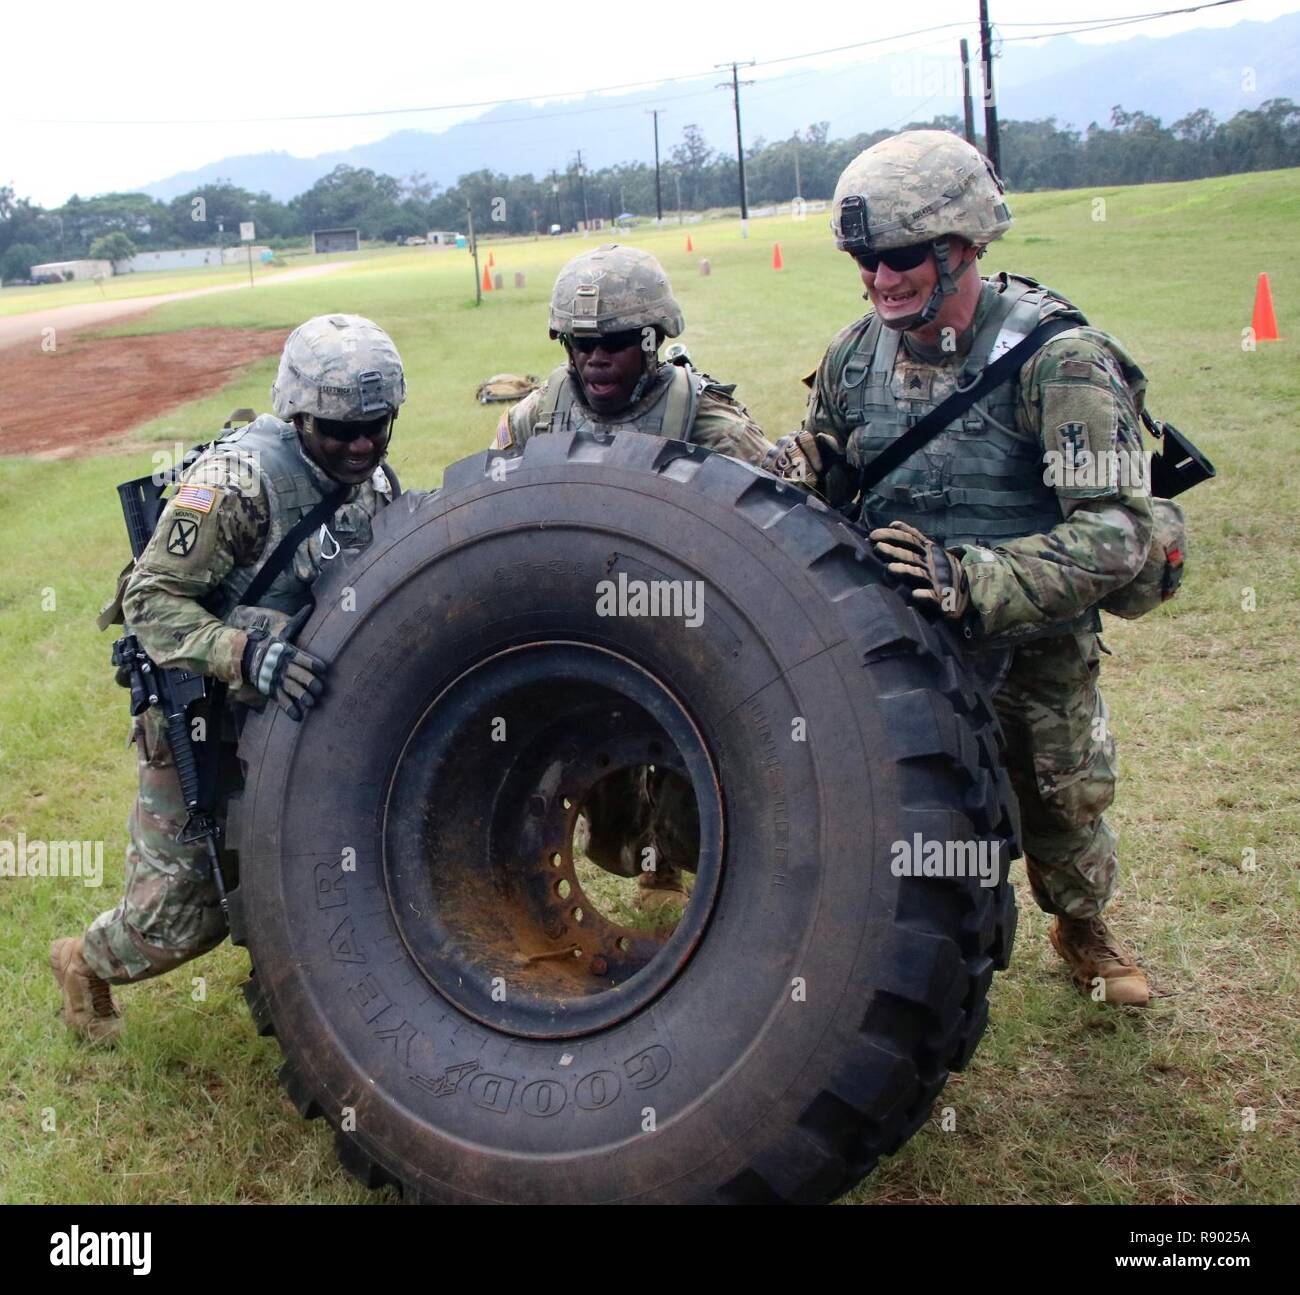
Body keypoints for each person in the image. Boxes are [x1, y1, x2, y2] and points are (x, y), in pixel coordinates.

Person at [764, 130, 1155, 1005]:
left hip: (1029, 643)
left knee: (1055, 800)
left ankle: (1082, 925)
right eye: (864, 258)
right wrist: (791, 472)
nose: (880, 278)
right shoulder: (854, 353)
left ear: (964, 246)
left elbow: (1118, 532)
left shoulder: (1059, 363)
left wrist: (973, 578)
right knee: (889, 802)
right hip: (894, 637)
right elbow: (833, 455)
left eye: (901, 256)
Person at [50, 314, 406, 1042]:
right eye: (343, 429)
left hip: (300, 710)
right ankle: (84, 962)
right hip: (207, 706)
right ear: (299, 416)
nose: (363, 444)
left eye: (378, 425)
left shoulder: (370, 480)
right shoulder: (237, 487)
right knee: (186, 913)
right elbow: (148, 600)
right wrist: (246, 653)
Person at [494, 243, 771, 914]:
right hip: (588, 623)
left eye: (615, 342)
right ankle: (642, 858)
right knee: (604, 804)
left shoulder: (706, 421)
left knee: (694, 790)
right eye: (580, 341)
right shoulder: (541, 415)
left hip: (688, 623)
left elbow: (773, 535)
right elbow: (493, 511)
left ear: (654, 340)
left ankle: (681, 873)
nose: (595, 357)